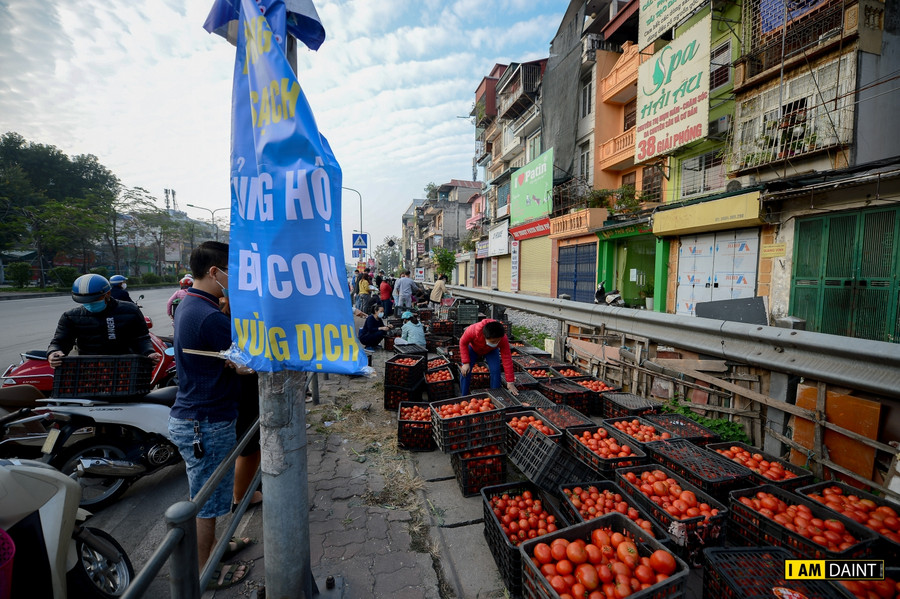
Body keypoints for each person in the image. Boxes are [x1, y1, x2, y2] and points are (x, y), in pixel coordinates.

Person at [167, 241, 253, 589]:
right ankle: (207, 570)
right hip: (206, 421)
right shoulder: (208, 317)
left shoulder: (192, 304)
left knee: (206, 495)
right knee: (206, 501)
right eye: (234, 271)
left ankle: (216, 547)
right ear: (215, 272)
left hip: (198, 414)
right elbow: (245, 360)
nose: (238, 278)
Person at [47, 274, 162, 367]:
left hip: (126, 367)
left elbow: (141, 338)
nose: (90, 304)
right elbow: (60, 341)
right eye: (85, 301)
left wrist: (149, 353)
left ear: (107, 294)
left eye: (94, 299)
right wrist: (54, 352)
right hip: (90, 368)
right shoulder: (71, 317)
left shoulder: (131, 310)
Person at [458, 319, 518, 396]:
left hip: (491, 350)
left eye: (498, 341)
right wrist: (466, 362)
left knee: (496, 370)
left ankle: (496, 395)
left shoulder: (503, 339)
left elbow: (507, 359)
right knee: (465, 371)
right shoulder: (472, 330)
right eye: (493, 341)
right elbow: (462, 342)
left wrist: (510, 382)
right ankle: (464, 395)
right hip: (473, 348)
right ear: (485, 336)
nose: (496, 343)